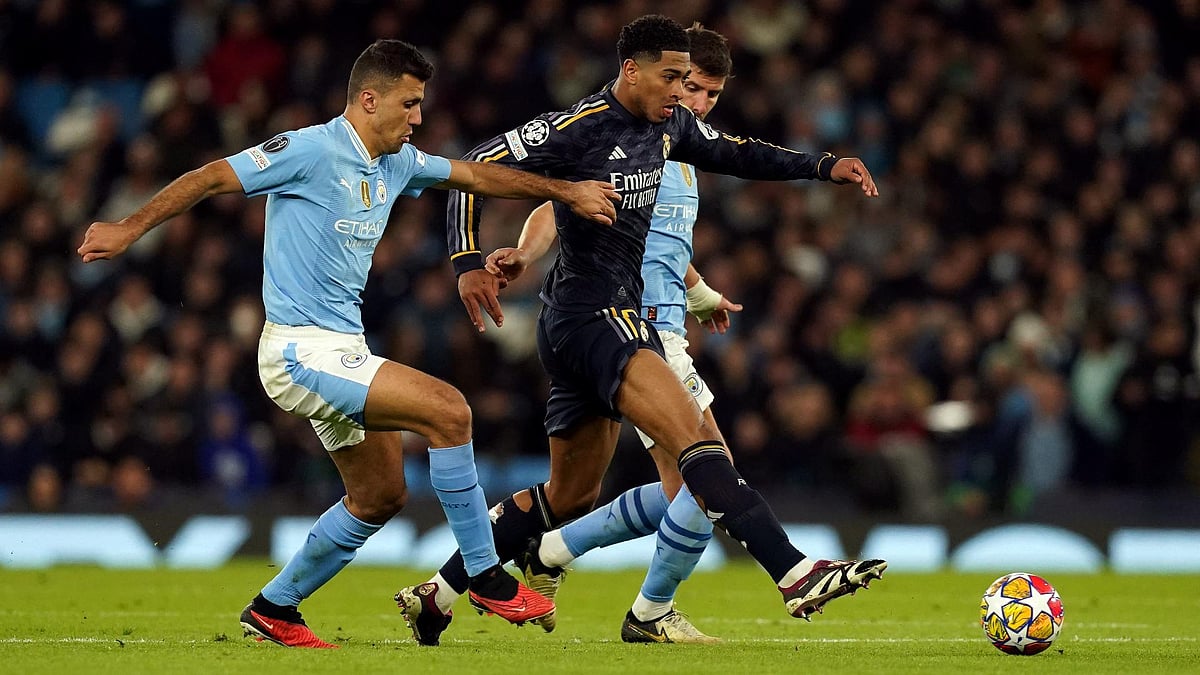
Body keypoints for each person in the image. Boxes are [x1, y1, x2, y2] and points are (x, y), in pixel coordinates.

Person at [77, 39, 620, 649]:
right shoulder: (309, 149)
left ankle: (274, 607)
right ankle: (487, 575)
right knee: (450, 412)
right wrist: (128, 228)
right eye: (409, 104)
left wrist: (565, 192)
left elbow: (475, 174)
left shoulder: (398, 163)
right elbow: (209, 179)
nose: (418, 118)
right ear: (369, 99)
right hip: (298, 351)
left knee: (379, 494)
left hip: (341, 349)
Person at [397, 15, 885, 646]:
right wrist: (469, 259)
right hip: (600, 318)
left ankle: (437, 594)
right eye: (673, 78)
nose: (683, 93)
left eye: (691, 81)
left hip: (584, 328)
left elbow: (739, 153)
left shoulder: (670, 127)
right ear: (632, 70)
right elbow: (466, 169)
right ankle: (790, 572)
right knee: (697, 447)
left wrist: (823, 167)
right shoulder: (577, 128)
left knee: (569, 496)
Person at [485, 23, 742, 644]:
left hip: (662, 327)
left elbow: (665, 245)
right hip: (630, 329)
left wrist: (701, 292)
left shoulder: (679, 155)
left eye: (710, 94)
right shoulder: (630, 138)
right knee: (709, 480)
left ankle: (545, 553)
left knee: (594, 491)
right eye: (691, 87)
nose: (698, 103)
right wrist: (524, 254)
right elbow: (555, 205)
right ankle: (645, 609)